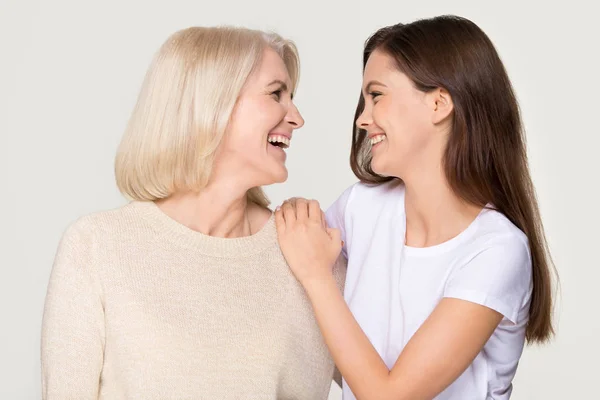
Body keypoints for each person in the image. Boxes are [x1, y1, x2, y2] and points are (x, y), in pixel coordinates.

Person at [41, 26, 344, 399]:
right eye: (276, 93)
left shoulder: (311, 249)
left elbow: (392, 385)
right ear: (212, 103)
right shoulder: (97, 246)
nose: (296, 117)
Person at [276, 15, 555, 400]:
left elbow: (389, 395)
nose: (362, 118)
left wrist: (317, 276)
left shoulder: (497, 250)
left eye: (377, 95)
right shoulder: (363, 207)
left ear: (439, 103)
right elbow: (283, 257)